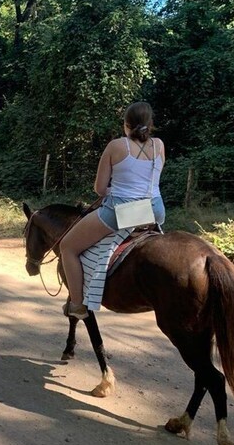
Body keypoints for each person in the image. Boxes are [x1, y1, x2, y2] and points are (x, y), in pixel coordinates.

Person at [58, 101, 165, 319]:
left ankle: (77, 305)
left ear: (126, 124)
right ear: (150, 123)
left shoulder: (117, 146)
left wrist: (113, 190)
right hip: (156, 210)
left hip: (126, 211)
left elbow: (99, 189)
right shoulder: (159, 145)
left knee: (67, 246)